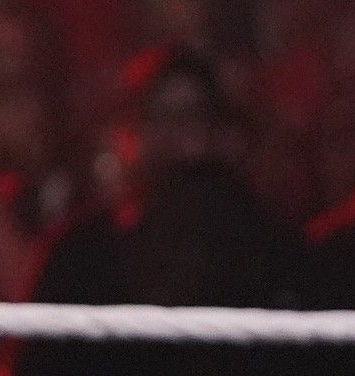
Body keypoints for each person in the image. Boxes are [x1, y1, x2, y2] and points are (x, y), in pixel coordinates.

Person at [21, 52, 288, 376]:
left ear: (223, 132)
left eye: (193, 114)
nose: (178, 133)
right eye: (160, 116)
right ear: (132, 133)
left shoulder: (262, 247)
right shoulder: (83, 253)